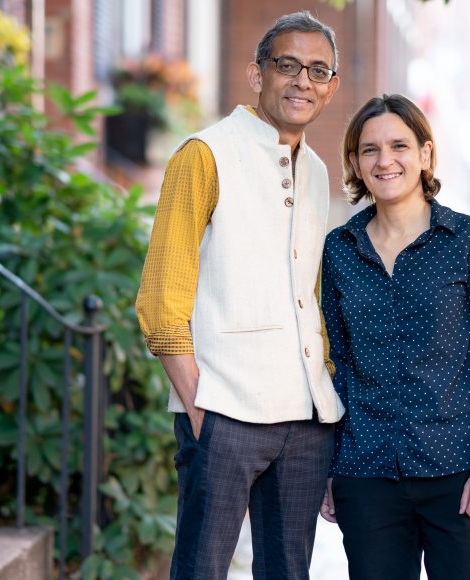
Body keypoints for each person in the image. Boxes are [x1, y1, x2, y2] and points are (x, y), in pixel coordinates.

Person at [135, 11, 344, 580]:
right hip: (223, 411)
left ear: (332, 87)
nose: (303, 80)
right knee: (201, 570)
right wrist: (199, 406)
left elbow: (312, 299)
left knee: (288, 573)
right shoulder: (204, 154)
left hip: (306, 421)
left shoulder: (320, 173)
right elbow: (161, 297)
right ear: (257, 74)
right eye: (288, 65)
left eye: (318, 70)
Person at [318, 94, 470, 579]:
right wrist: (333, 465)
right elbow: (339, 363)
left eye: (399, 145)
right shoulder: (339, 250)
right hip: (366, 474)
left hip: (459, 472)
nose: (385, 160)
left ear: (426, 155)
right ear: (354, 162)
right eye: (369, 150)